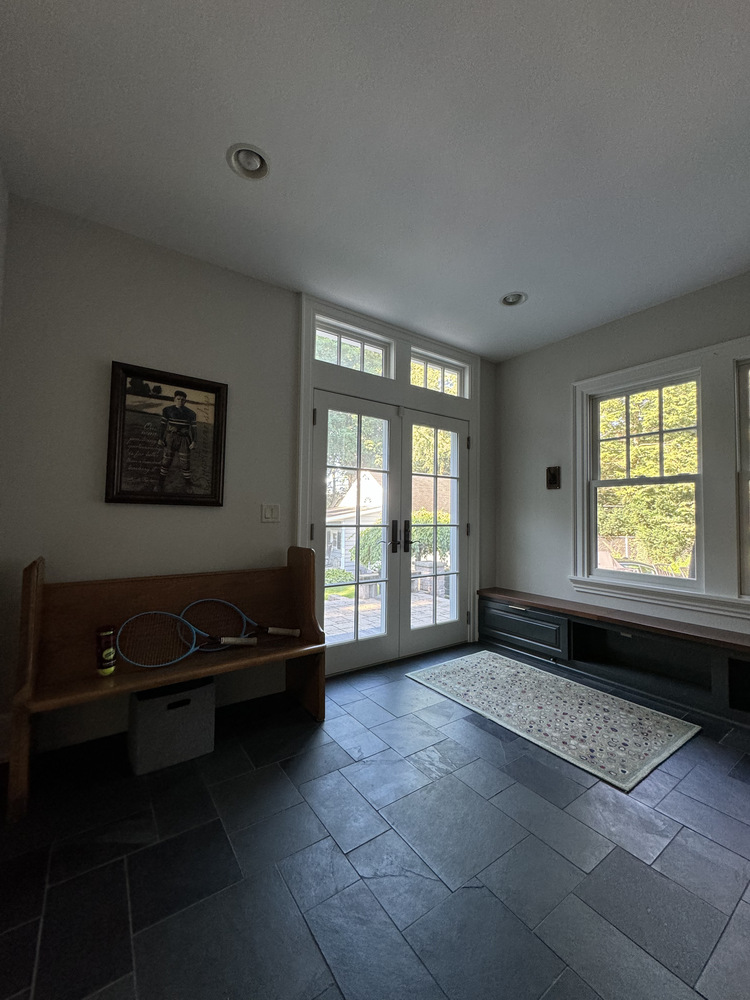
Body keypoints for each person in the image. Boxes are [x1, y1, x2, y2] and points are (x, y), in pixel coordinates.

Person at [156, 390, 197, 492]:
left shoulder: (191, 413)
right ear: (174, 399)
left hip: (184, 439)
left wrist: (194, 441)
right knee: (166, 461)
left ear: (185, 401)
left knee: (185, 463)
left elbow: (193, 429)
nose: (180, 401)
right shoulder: (167, 410)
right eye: (178, 399)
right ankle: (160, 484)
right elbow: (163, 425)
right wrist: (160, 438)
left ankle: (188, 485)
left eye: (183, 399)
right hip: (170, 438)